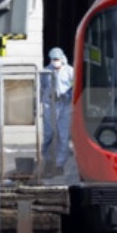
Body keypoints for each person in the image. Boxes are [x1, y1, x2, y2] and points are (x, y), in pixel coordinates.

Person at [40, 47, 74, 177]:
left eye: (57, 59)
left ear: (62, 59)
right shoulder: (46, 72)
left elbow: (75, 85)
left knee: (62, 135)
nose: (55, 62)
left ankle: (60, 164)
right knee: (48, 134)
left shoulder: (70, 71)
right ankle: (47, 161)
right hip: (50, 104)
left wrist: (69, 95)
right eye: (53, 59)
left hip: (64, 104)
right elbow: (41, 87)